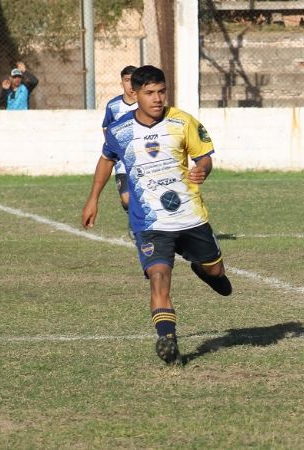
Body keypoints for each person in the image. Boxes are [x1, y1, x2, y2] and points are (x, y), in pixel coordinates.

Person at [82, 65, 233, 365]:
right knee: (158, 276)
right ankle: (168, 339)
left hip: (190, 216)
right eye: (149, 93)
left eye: (161, 91)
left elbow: (204, 156)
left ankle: (204, 270)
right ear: (134, 94)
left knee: (217, 273)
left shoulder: (182, 121)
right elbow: (106, 160)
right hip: (150, 223)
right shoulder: (119, 131)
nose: (157, 98)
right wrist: (93, 199)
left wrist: (202, 169)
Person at [101, 65, 138, 236]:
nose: (131, 85)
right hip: (123, 161)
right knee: (126, 199)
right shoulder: (113, 105)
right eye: (127, 80)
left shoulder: (146, 102)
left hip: (144, 159)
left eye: (134, 80)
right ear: (122, 82)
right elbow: (106, 128)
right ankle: (133, 218)